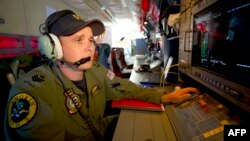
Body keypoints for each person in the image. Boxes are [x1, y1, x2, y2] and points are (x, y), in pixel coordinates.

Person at [4, 9, 199, 141]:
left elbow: (124, 87)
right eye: (79, 40)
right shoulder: (33, 92)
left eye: (90, 39)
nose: (90, 46)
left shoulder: (94, 70)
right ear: (52, 48)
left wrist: (164, 97)